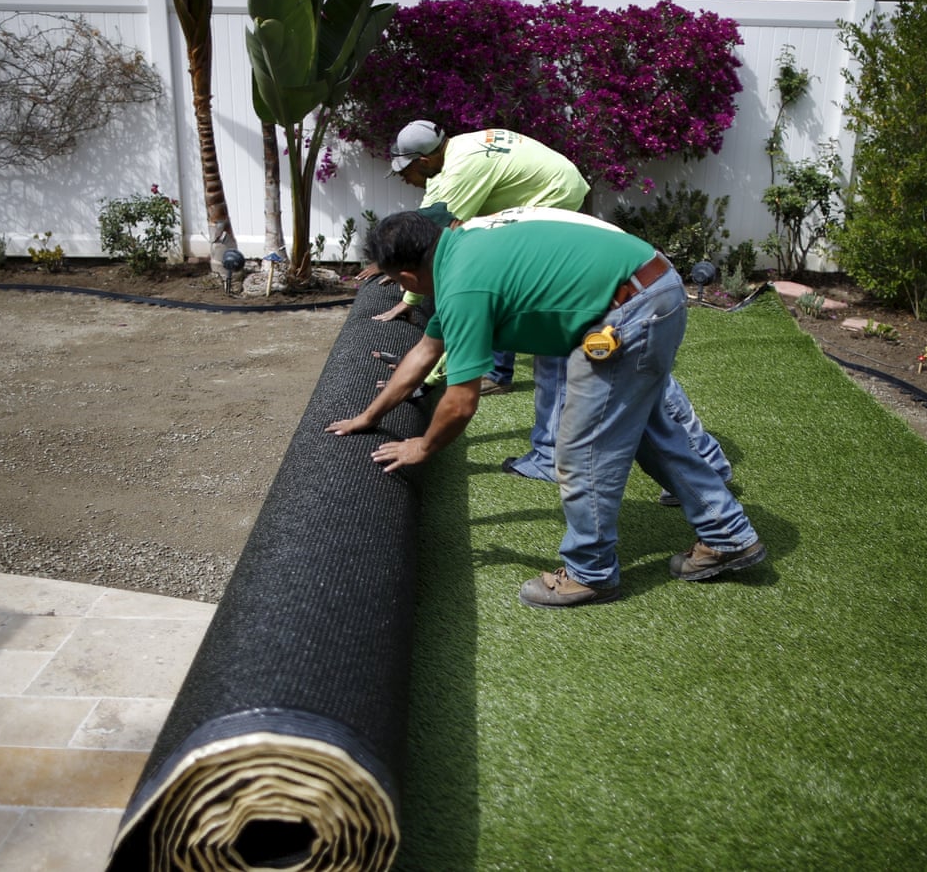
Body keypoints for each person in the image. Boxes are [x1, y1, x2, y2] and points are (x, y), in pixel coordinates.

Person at [326, 212, 766, 609]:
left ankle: (590, 575)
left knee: (582, 450)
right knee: (650, 433)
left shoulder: (462, 285)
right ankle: (728, 537)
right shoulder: (460, 249)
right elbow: (425, 351)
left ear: (407, 275)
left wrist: (424, 445)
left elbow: (461, 401)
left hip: (628, 310)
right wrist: (371, 416)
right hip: (652, 287)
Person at [373, 121, 589, 481]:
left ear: (424, 160)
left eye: (406, 171)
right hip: (568, 202)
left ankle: (551, 454)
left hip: (554, 198)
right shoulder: (458, 150)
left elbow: (425, 240)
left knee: (547, 339)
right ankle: (499, 373)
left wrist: (429, 372)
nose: (404, 180)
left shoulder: (459, 174)